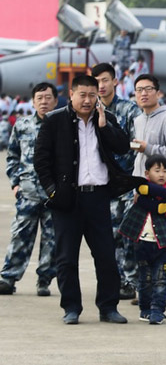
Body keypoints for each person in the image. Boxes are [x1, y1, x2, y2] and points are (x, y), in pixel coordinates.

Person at [33, 74, 138, 325]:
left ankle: (108, 307)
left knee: (105, 256)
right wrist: (52, 191)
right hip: (67, 200)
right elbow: (41, 159)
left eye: (93, 95)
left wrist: (105, 126)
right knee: (66, 258)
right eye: (83, 94)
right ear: (72, 94)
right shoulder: (55, 120)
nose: (88, 100)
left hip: (98, 198)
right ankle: (71, 307)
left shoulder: (106, 119)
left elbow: (123, 146)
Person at [0, 83, 58, 296]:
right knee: (20, 235)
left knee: (51, 240)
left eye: (48, 97)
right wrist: (15, 183)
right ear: (33, 101)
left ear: (55, 100)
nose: (44, 101)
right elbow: (13, 156)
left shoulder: (62, 127)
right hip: (27, 193)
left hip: (54, 195)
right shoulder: (22, 126)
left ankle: (44, 281)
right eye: (40, 98)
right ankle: (8, 278)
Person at [93, 63, 144, 300]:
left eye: (105, 80)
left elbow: (139, 146)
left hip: (127, 182)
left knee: (128, 234)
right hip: (102, 183)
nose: (101, 86)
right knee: (108, 236)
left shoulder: (130, 110)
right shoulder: (88, 110)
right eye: (97, 82)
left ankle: (132, 282)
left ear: (115, 82)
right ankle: (118, 280)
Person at [117, 154, 166, 325]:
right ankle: (145, 309)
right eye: (157, 171)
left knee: (161, 279)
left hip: (162, 245)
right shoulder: (149, 189)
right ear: (147, 174)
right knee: (145, 279)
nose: (162, 174)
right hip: (142, 244)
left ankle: (157, 310)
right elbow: (144, 190)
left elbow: (160, 208)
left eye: (165, 171)